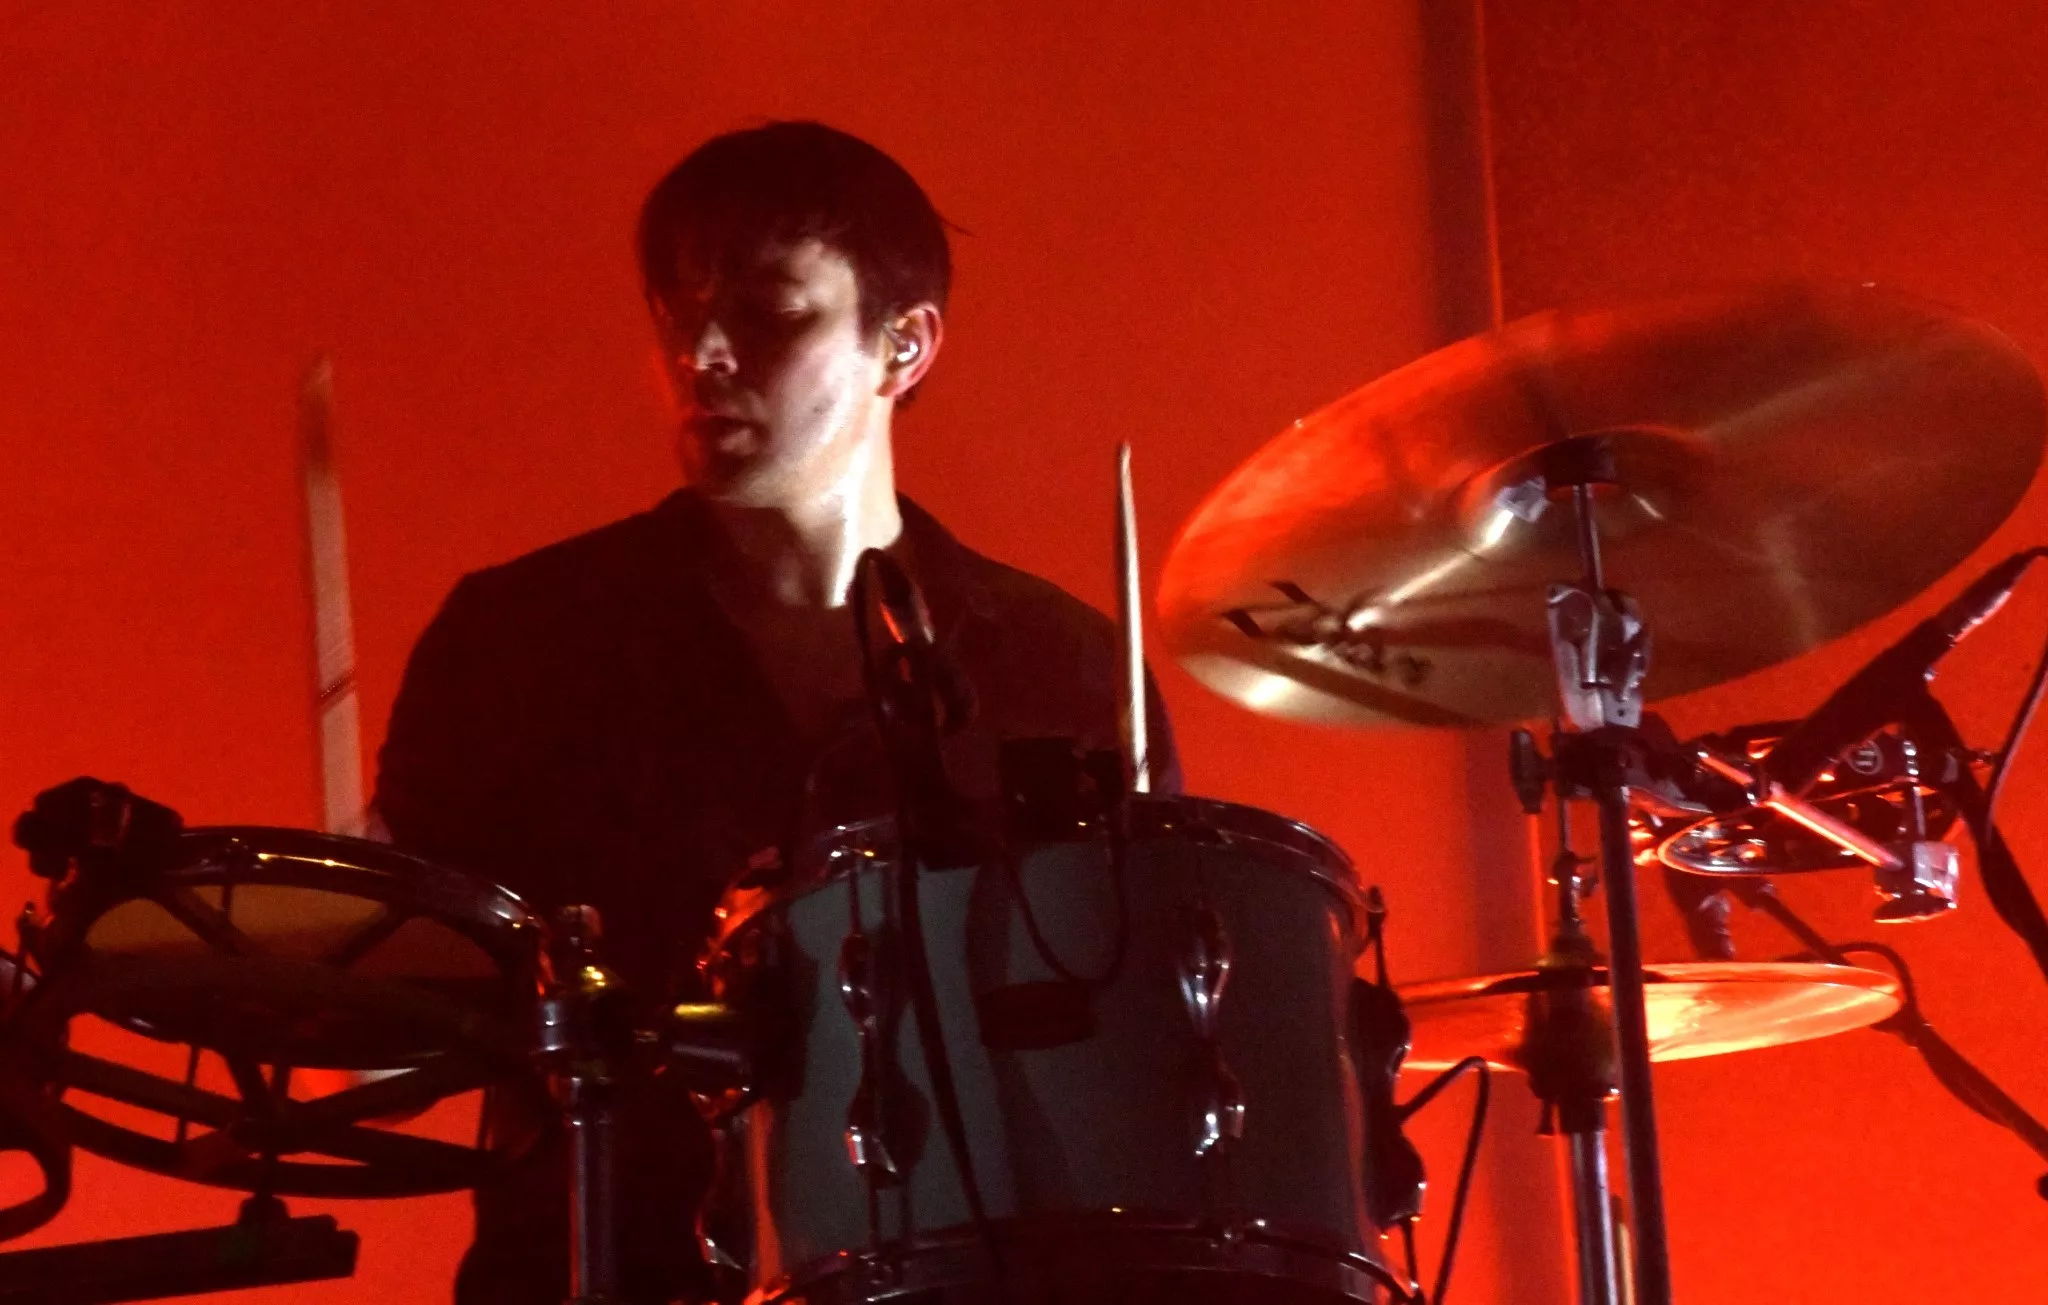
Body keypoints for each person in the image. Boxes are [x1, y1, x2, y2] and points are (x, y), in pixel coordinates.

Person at [373, 120, 1180, 1304]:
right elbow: (396, 1020)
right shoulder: (520, 636)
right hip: (603, 1271)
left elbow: (1135, 1035)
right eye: (676, 310)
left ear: (903, 344)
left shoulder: (1062, 666)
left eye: (766, 313)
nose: (699, 352)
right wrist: (333, 956)